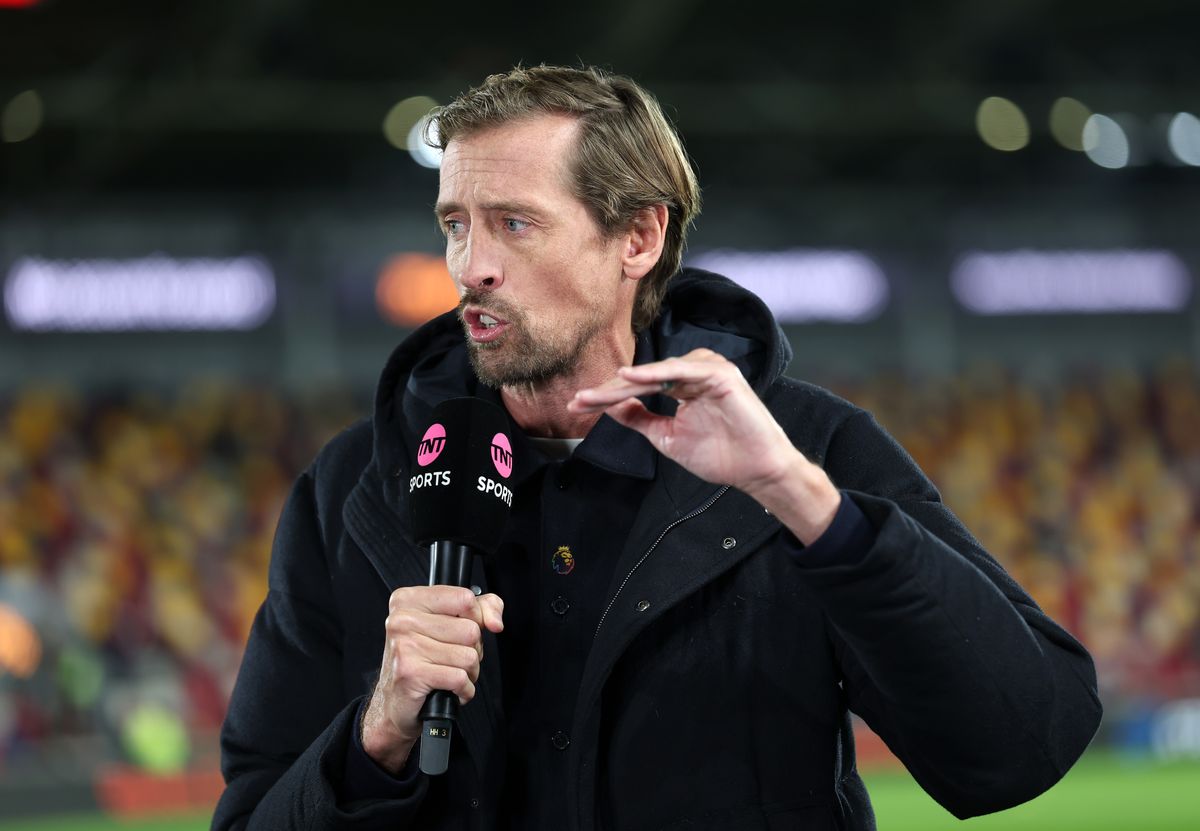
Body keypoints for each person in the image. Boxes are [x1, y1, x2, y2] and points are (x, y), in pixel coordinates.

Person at [212, 65, 1102, 831]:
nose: (469, 265)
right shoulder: (353, 489)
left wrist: (800, 498)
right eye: (455, 223)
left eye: (514, 224)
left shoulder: (807, 450)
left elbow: (1020, 747)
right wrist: (376, 739)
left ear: (639, 236)